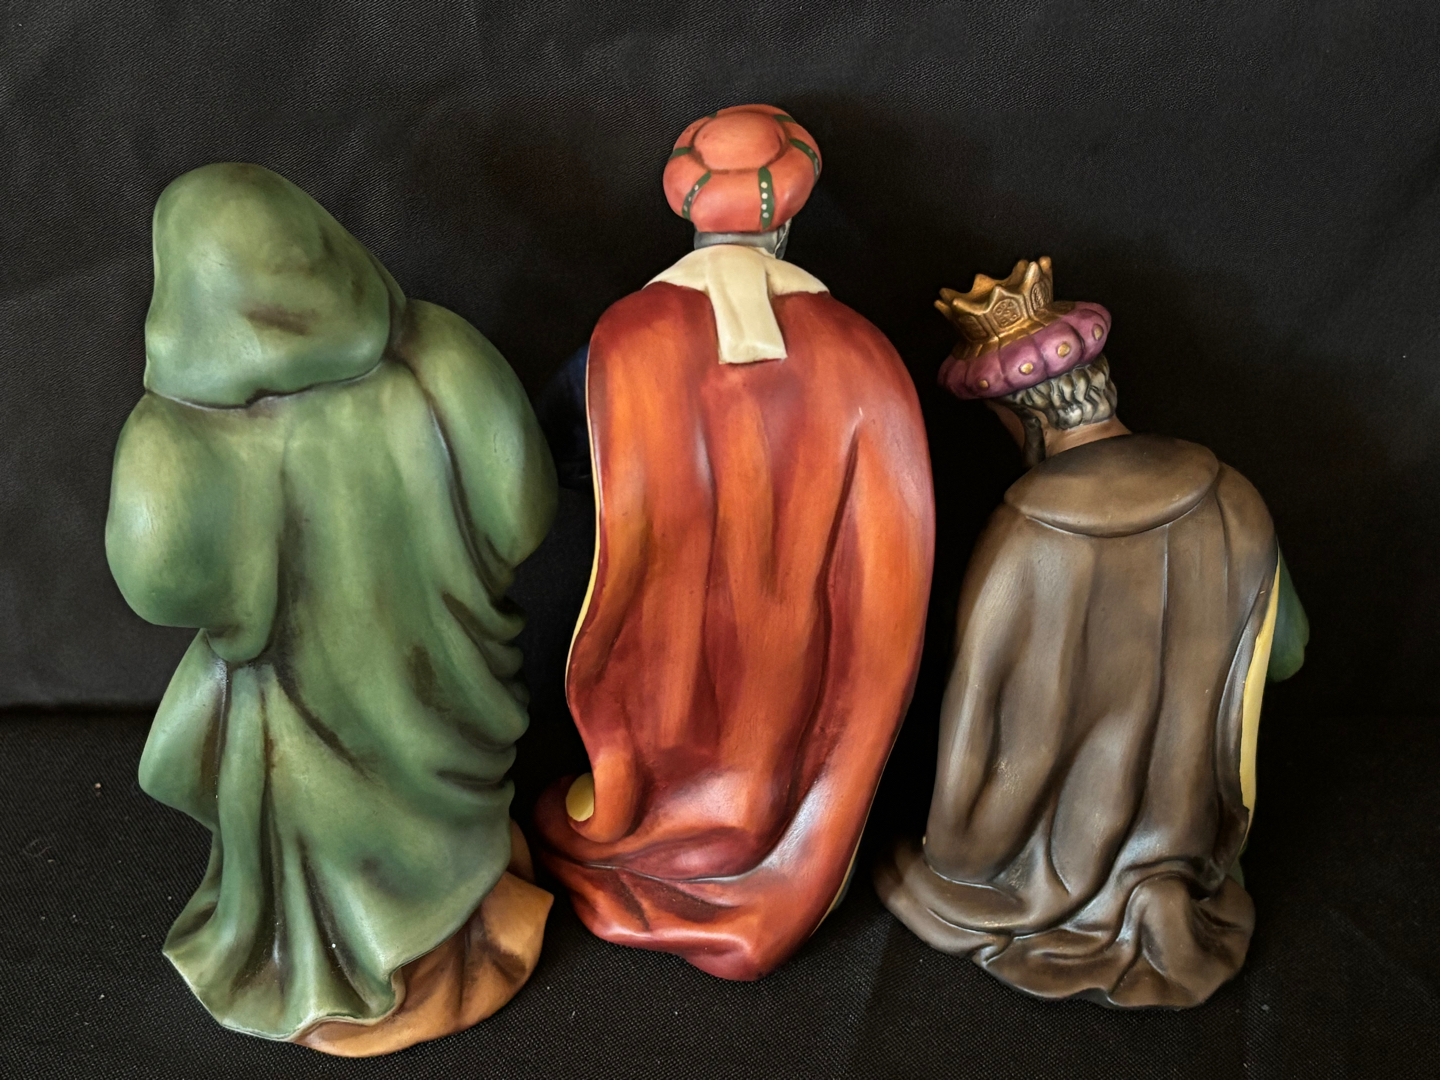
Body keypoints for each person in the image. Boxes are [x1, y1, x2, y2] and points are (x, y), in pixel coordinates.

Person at [106, 164, 557, 1054]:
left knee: (310, 795)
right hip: (451, 693)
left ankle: (349, 955)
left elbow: (156, 583)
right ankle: (451, 916)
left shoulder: (176, 443)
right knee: (432, 802)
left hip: (298, 721)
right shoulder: (444, 355)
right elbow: (524, 512)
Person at [533, 106, 935, 980]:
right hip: (796, 688)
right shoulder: (865, 353)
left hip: (663, 660)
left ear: (689, 213)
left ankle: (653, 828)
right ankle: (773, 839)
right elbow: (887, 573)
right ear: (784, 224)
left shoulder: (622, 338)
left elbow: (561, 456)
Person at [875, 257, 1307, 1008]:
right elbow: (1289, 655)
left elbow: (976, 720)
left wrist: (962, 844)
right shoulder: (1234, 495)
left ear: (1028, 419)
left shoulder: (1020, 535)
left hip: (1049, 862)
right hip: (1200, 841)